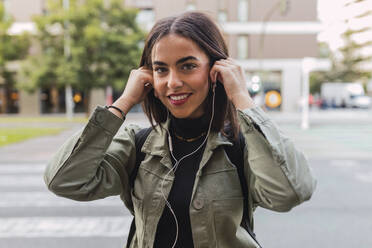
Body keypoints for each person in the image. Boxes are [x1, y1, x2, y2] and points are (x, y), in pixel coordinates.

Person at [44, 11, 316, 248]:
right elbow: (63, 180)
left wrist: (241, 98)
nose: (172, 82)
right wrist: (123, 103)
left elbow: (291, 192)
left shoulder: (242, 146)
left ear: (216, 70)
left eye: (187, 66)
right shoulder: (138, 144)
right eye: (161, 69)